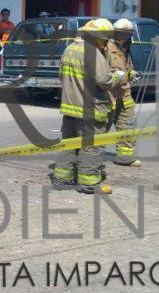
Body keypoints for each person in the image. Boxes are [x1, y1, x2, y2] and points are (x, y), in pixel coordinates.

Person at [50, 18, 125, 194]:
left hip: (69, 108)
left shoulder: (69, 49)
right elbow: (104, 80)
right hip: (90, 108)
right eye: (105, 39)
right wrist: (118, 77)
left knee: (68, 145)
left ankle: (63, 179)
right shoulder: (92, 52)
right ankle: (89, 183)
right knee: (91, 147)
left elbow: (62, 76)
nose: (105, 43)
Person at [108, 19, 140, 167]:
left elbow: (127, 68)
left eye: (127, 34)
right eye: (122, 33)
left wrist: (132, 73)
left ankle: (125, 158)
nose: (124, 37)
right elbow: (102, 73)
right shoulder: (107, 48)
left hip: (125, 95)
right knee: (101, 128)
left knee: (127, 126)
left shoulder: (126, 48)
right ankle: (87, 159)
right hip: (109, 96)